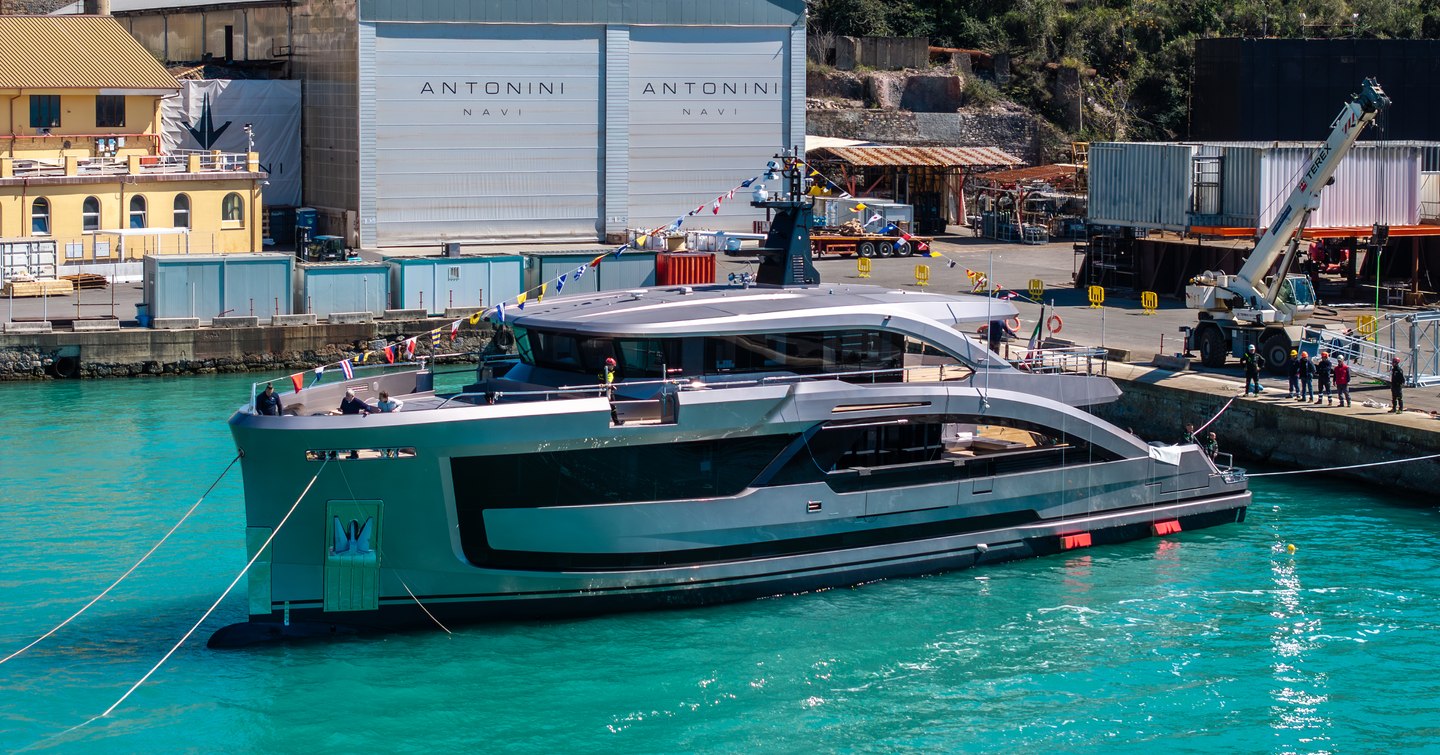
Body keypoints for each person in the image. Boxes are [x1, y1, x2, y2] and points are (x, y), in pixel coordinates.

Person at [600, 356, 622, 425]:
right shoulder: (610, 374)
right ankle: (616, 422)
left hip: (602, 391)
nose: (613, 367)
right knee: (613, 407)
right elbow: (608, 384)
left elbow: (601, 382)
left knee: (604, 407)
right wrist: (612, 386)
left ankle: (602, 422)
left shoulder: (601, 372)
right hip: (609, 392)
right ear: (609, 365)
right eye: (612, 365)